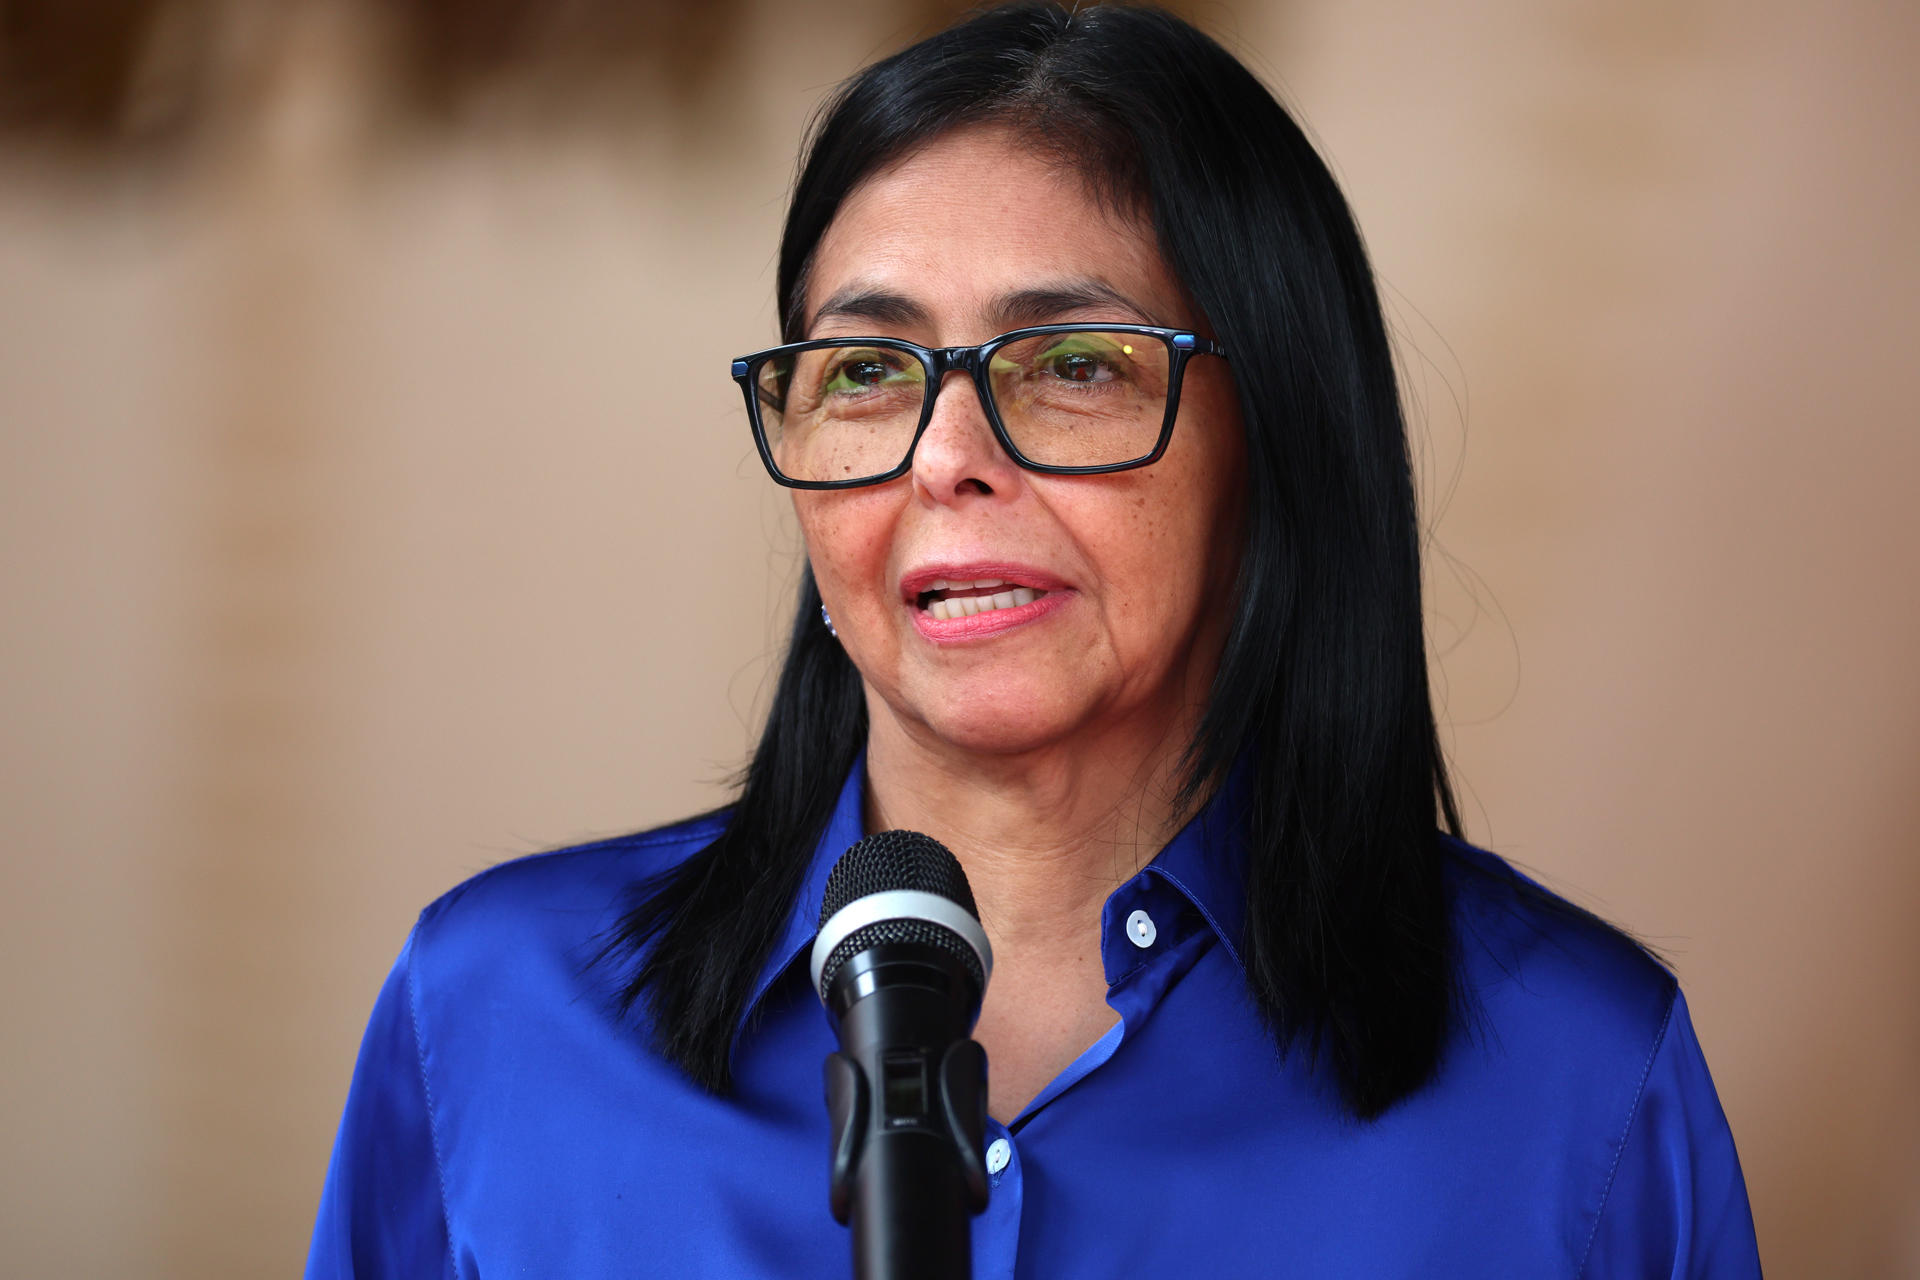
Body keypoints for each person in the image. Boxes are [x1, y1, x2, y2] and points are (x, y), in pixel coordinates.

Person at [306, 4, 1761, 1276]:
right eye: (866, 370)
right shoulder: (496, 1015)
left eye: (1071, 363)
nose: (947, 457)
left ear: (1278, 444)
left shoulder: (1578, 1079)